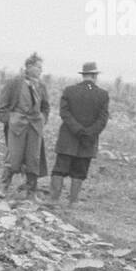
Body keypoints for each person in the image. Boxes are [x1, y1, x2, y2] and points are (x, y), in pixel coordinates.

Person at [48, 61, 110, 206]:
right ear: (94, 76)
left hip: (68, 137)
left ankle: (53, 199)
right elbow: (103, 119)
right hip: (88, 140)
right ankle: (73, 201)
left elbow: (64, 113)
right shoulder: (103, 95)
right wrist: (88, 132)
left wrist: (77, 129)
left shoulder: (69, 91)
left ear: (83, 75)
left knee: (59, 169)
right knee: (80, 171)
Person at [0, 53, 49, 199]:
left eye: (41, 68)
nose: (40, 70)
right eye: (38, 67)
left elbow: (45, 107)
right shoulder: (14, 83)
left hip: (35, 126)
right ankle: (3, 188)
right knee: (13, 156)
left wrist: (42, 119)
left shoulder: (41, 86)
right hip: (17, 125)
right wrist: (9, 120)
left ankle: (31, 192)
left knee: (33, 158)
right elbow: (2, 105)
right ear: (29, 67)